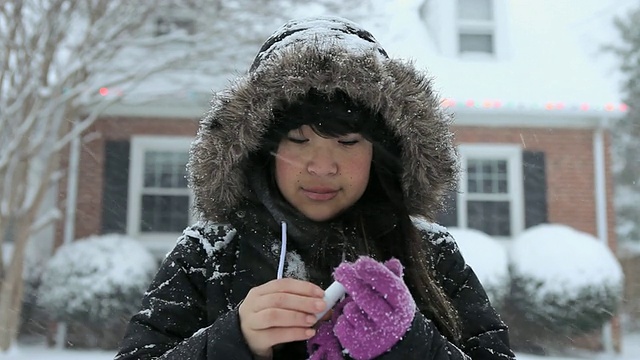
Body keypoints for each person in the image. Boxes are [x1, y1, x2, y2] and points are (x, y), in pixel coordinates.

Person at [115, 16, 516, 360]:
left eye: (347, 142)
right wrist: (234, 340)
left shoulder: (432, 254)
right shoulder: (206, 254)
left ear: (381, 152)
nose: (322, 166)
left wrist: (412, 341)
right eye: (298, 139)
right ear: (262, 149)